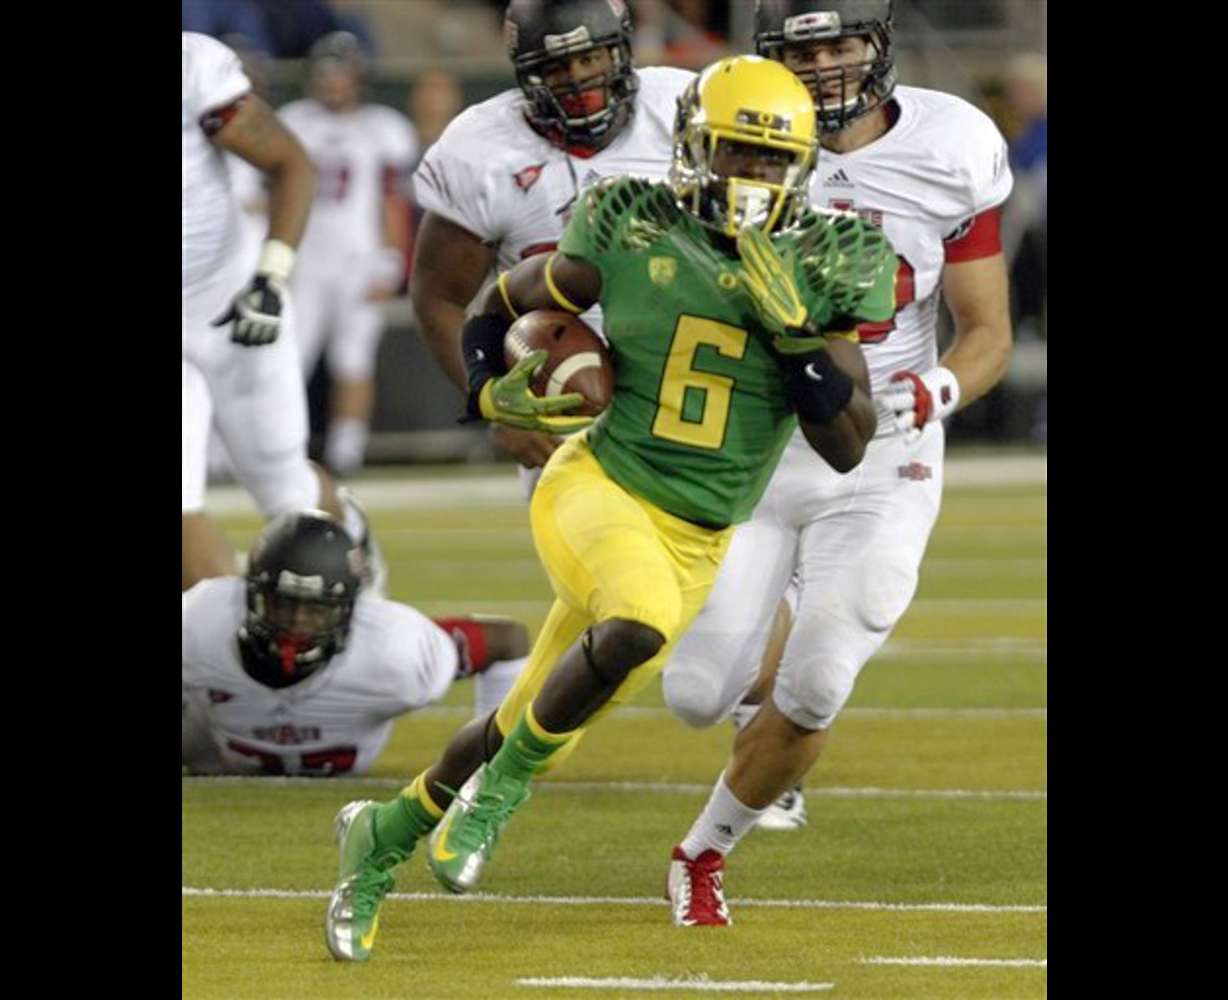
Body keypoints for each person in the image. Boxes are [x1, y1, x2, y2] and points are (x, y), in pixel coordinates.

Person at [324, 53, 899, 962]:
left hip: (700, 536)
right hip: (600, 484)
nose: (750, 174)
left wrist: (798, 341)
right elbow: (499, 301)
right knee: (633, 622)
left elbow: (848, 443)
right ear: (693, 148)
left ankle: (383, 836)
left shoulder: (832, 256)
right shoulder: (632, 220)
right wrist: (487, 389)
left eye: (769, 158)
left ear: (799, 167)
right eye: (735, 151)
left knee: (531, 719)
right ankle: (496, 800)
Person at [658, 0, 1015, 926]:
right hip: (753, 444)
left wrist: (932, 392)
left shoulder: (950, 144)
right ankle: (771, 623)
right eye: (800, 50)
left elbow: (988, 330)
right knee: (693, 694)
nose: (821, 66)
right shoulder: (733, 134)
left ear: (878, 44)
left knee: (819, 681)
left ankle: (702, 852)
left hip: (882, 445)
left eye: (839, 43)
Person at [409, 0, 695, 479]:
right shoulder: (482, 150)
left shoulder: (683, 110)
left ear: (621, 51)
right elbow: (438, 298)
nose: (578, 80)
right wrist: (495, 404)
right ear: (526, 74)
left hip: (695, 390)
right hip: (564, 406)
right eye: (557, 68)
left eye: (590, 58)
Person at [182, 31, 379, 592]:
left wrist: (271, 274)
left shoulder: (192, 68)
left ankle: (360, 579)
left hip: (231, 306)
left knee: (285, 487)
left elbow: (292, 163)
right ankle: (230, 639)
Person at [183, 510, 528, 776]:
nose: (298, 622)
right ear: (250, 594)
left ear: (351, 609)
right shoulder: (201, 622)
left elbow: (507, 639)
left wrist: (494, 765)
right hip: (209, 749)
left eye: (317, 610)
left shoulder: (393, 651)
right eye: (283, 604)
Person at [279, 32, 419, 476]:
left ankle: (346, 452)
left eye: (339, 72)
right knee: (289, 359)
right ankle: (282, 448)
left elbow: (393, 200)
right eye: (325, 73)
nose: (332, 81)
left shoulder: (383, 128)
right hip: (304, 259)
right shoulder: (293, 121)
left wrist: (392, 259)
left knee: (352, 357)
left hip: (360, 259)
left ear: (358, 76)